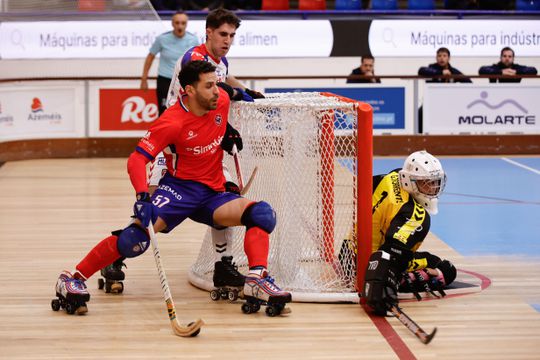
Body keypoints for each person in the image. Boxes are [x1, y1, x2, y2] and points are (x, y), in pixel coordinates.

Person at [53, 60, 291, 315]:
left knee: (262, 214)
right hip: (178, 191)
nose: (216, 90)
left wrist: (232, 119)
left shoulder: (219, 98)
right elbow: (137, 159)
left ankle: (256, 279)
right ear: (188, 90)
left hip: (213, 193)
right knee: (134, 240)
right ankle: (72, 278)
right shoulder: (172, 122)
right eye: (209, 86)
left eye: (216, 84)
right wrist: (143, 196)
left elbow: (228, 92)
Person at [339, 150, 456, 316]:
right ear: (409, 182)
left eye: (435, 182)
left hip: (346, 252)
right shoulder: (415, 215)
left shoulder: (391, 177)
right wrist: (384, 285)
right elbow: (391, 253)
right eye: (426, 183)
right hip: (365, 266)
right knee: (445, 267)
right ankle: (410, 278)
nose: (433, 189)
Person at [140, 11, 199, 115]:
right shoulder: (162, 39)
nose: (180, 26)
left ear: (187, 24)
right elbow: (150, 57)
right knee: (164, 111)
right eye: (177, 23)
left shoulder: (193, 39)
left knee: (186, 112)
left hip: (184, 81)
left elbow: (198, 61)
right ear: (172, 24)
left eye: (183, 23)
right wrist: (144, 78)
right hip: (165, 80)